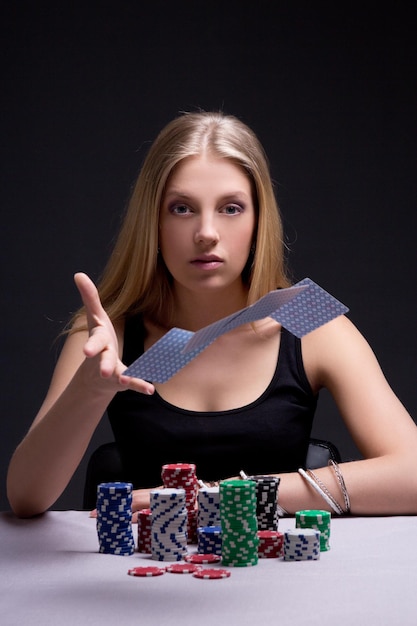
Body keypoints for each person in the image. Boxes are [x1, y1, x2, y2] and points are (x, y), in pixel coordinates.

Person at [7, 110, 417, 519]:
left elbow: (411, 474)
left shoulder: (306, 318)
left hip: (280, 580)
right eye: (182, 208)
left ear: (259, 221)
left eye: (231, 208)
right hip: (140, 577)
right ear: (153, 221)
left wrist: (217, 498)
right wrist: (89, 391)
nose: (206, 232)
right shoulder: (106, 333)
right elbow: (26, 498)